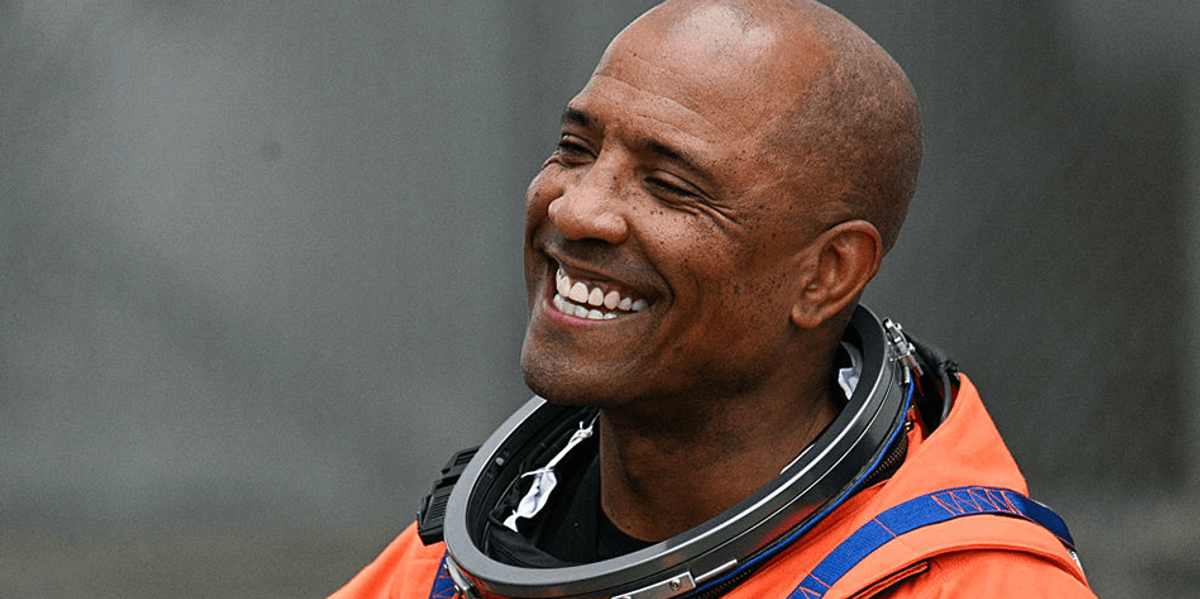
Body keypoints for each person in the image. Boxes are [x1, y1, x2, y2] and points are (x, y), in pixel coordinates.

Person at [331, 1, 1096, 597]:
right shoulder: (449, 564)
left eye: (669, 185)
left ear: (826, 273)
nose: (578, 209)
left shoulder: (974, 585)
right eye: (575, 149)